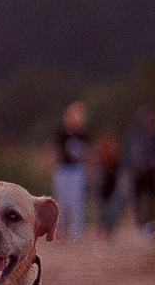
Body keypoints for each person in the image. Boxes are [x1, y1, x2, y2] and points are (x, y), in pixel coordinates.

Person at [50, 101, 90, 242]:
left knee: (76, 201)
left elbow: (87, 151)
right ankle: (60, 229)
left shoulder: (82, 134)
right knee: (61, 201)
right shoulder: (61, 133)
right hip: (62, 169)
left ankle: (76, 230)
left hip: (76, 169)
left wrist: (88, 167)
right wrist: (50, 162)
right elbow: (52, 147)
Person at [123, 105, 155, 239]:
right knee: (138, 198)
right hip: (137, 171)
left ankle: (150, 224)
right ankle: (140, 224)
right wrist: (128, 168)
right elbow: (127, 152)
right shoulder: (134, 133)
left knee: (152, 197)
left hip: (150, 171)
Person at [93, 128, 123, 237]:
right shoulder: (100, 156)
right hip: (104, 183)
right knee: (103, 207)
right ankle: (104, 228)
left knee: (110, 207)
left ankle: (109, 229)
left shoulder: (114, 157)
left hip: (111, 182)